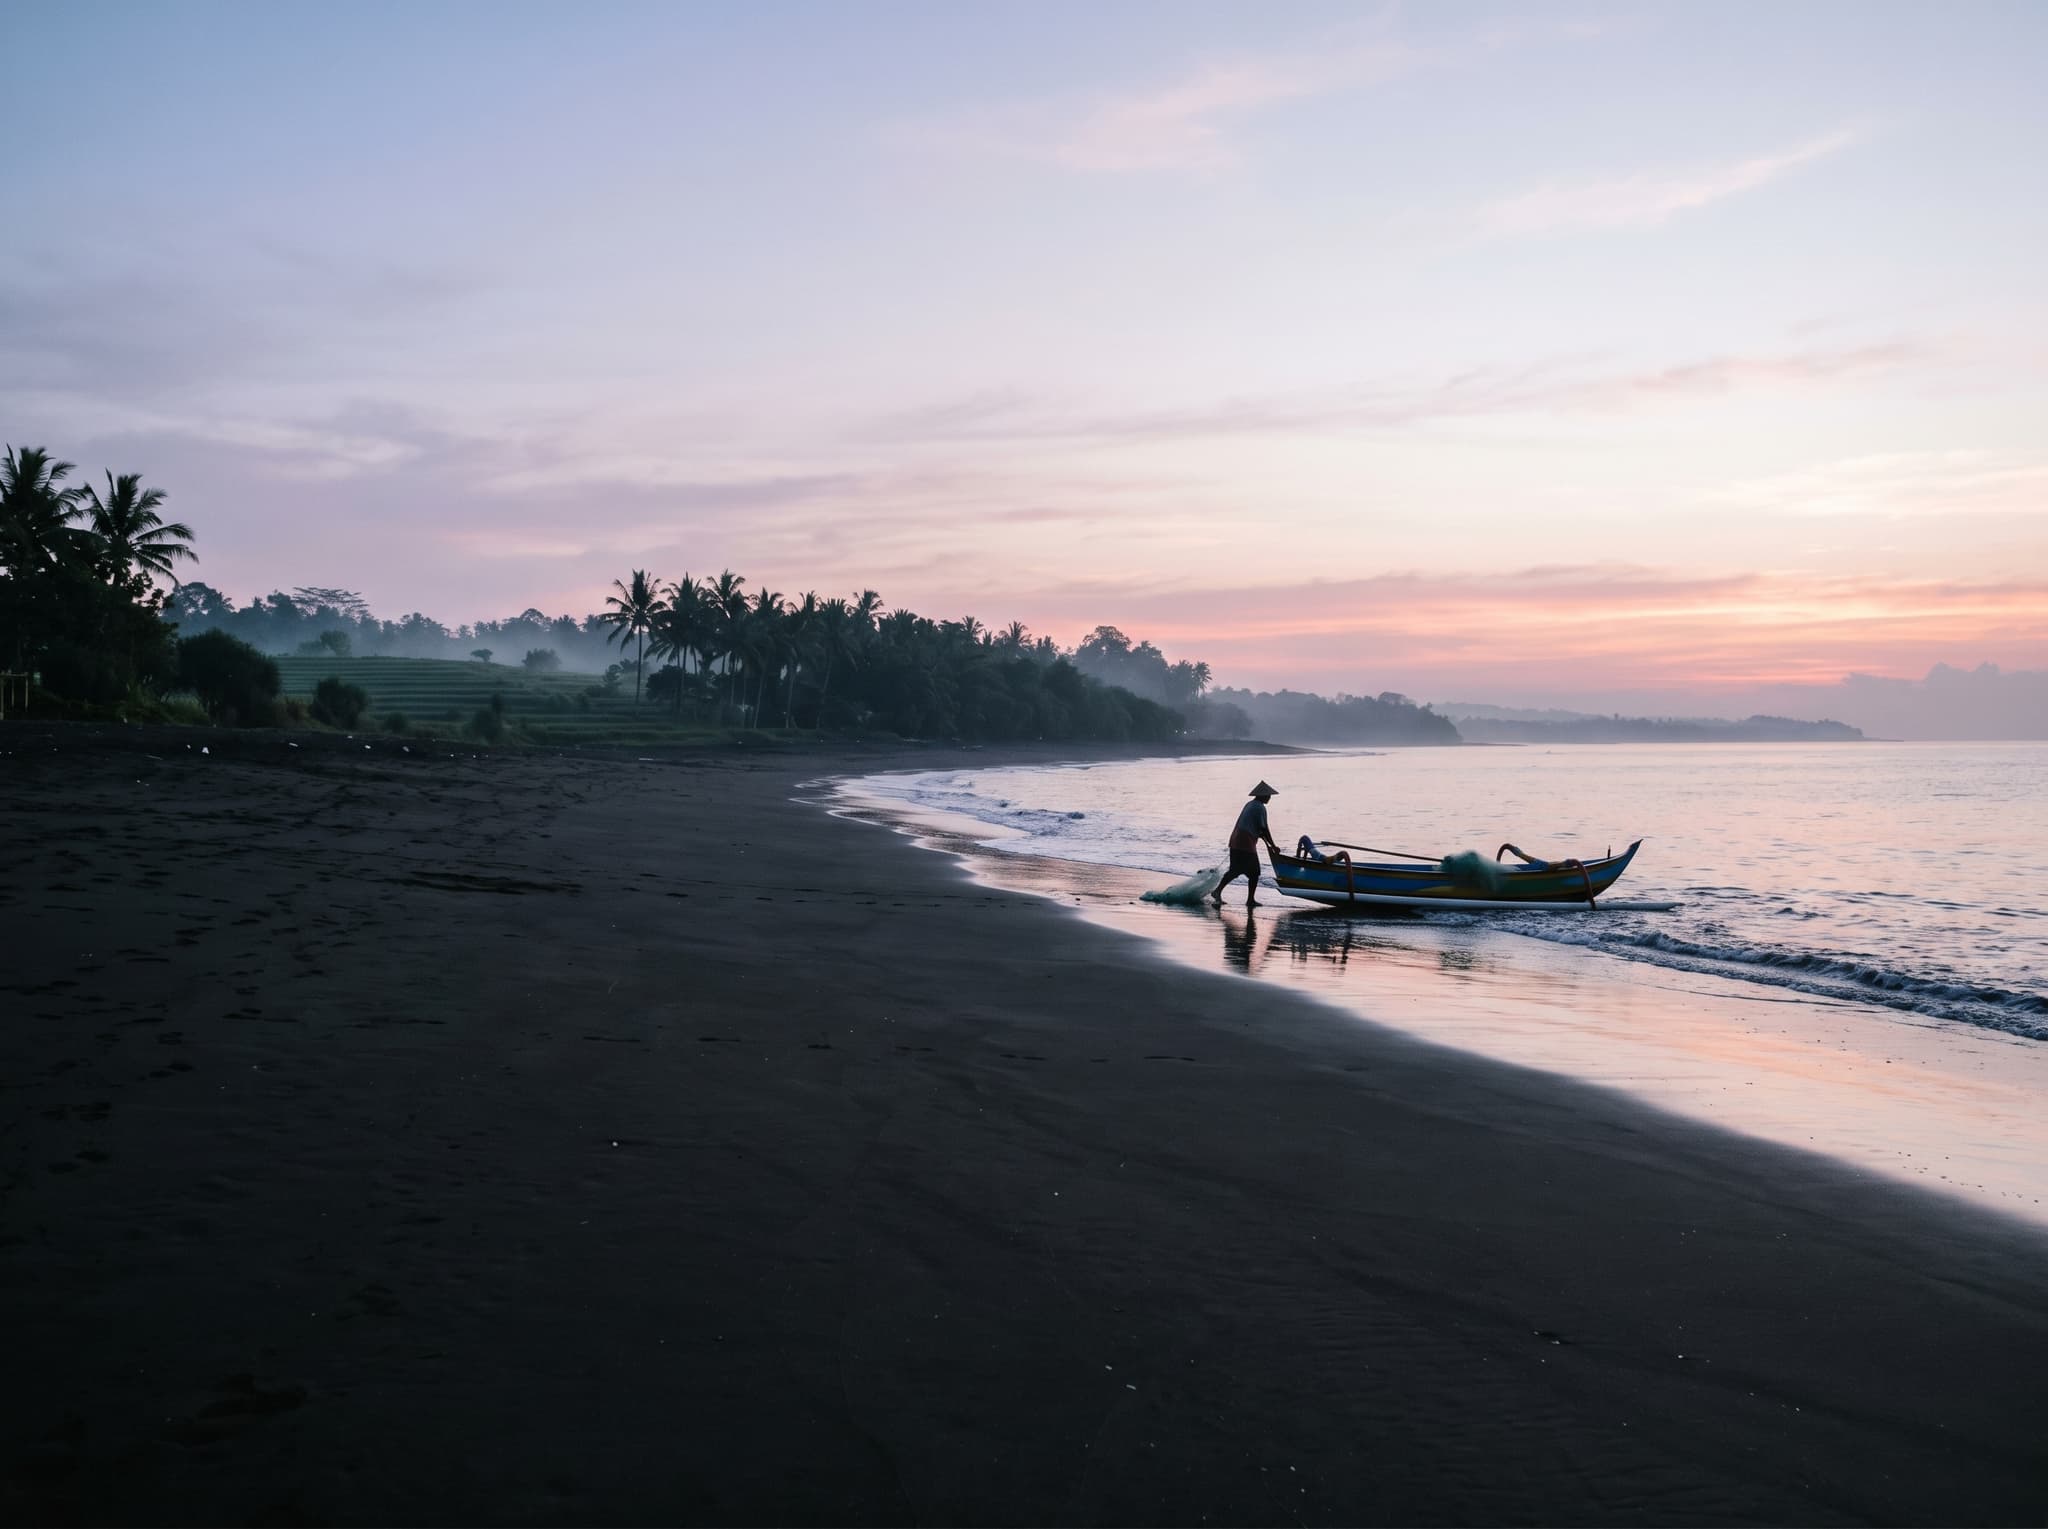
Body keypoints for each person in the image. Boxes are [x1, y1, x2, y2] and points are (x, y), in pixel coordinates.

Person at [1211, 780, 1279, 908]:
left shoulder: (1250, 804)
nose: (1269, 798)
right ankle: (1249, 900)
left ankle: (1218, 891)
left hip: (1236, 840)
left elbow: (1259, 829)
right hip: (1245, 842)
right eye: (1268, 795)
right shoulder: (1259, 807)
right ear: (1262, 795)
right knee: (1254, 872)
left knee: (1235, 870)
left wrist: (1269, 844)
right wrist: (1273, 846)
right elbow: (1264, 829)